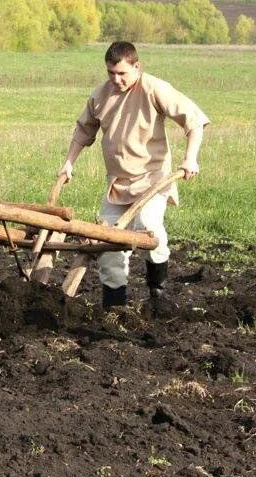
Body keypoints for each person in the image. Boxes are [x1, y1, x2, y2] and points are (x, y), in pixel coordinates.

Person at [59, 41, 210, 310]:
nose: (116, 80)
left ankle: (158, 297)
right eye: (110, 73)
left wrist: (190, 158)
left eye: (122, 73)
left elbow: (194, 121)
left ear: (136, 67)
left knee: (149, 228)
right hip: (117, 186)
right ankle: (115, 309)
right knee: (108, 245)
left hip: (152, 180)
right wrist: (68, 164)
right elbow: (83, 131)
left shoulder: (153, 88)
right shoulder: (100, 96)